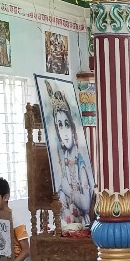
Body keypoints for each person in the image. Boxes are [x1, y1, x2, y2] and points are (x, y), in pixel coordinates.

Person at [44, 84, 95, 227]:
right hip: (66, 223)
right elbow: (60, 200)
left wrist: (68, 192)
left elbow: (86, 204)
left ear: (73, 129)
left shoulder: (80, 162)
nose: (64, 131)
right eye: (60, 125)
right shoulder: (61, 162)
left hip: (83, 224)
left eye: (67, 124)